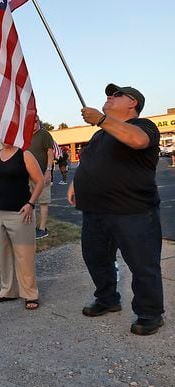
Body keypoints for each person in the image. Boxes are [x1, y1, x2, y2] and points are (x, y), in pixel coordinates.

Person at [72, 83, 164, 336]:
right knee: (96, 259)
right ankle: (107, 299)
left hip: (133, 212)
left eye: (116, 95)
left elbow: (136, 141)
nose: (109, 98)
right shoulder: (100, 135)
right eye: (108, 96)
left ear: (133, 103)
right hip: (95, 212)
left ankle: (149, 313)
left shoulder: (143, 126)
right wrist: (74, 183)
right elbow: (89, 161)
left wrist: (101, 119)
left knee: (143, 265)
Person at [0, 143, 45, 310]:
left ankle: (30, 294)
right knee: (3, 254)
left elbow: (40, 181)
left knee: (24, 255)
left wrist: (31, 204)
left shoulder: (25, 155)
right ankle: (8, 290)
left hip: (20, 213)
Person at [27, 117, 55, 240]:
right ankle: (31, 227)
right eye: (31, 121)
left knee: (43, 202)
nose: (33, 123)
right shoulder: (25, 135)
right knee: (30, 201)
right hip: (27, 175)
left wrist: (48, 171)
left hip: (42, 174)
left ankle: (42, 228)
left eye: (35, 121)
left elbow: (50, 153)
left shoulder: (44, 134)